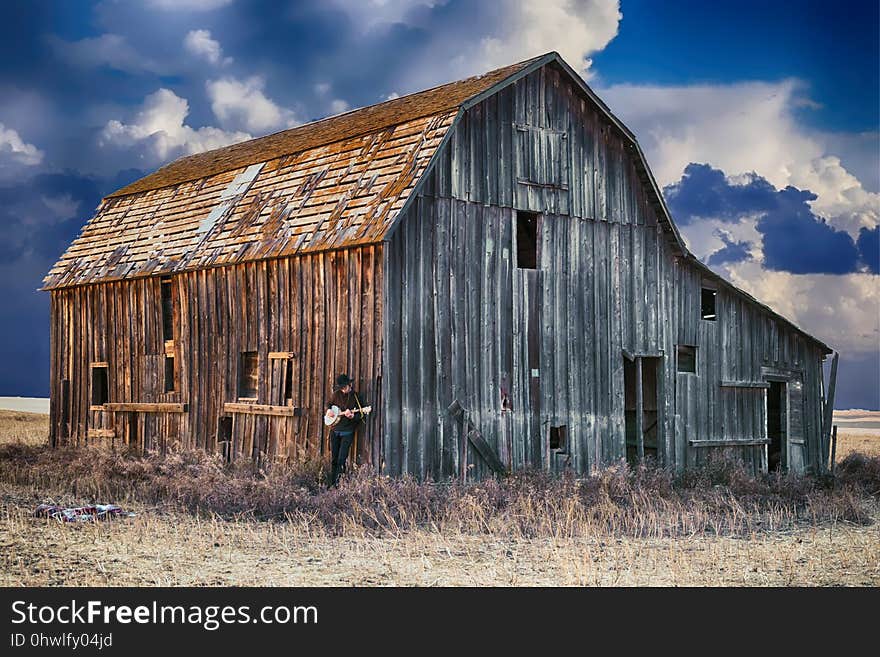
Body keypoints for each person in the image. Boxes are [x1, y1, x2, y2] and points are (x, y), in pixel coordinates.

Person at [325, 373, 370, 487]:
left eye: (346, 387)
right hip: (335, 430)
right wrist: (329, 410)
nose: (344, 390)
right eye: (342, 388)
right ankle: (332, 484)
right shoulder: (336, 395)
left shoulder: (356, 397)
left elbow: (361, 415)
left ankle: (340, 484)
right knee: (334, 458)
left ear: (350, 385)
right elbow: (328, 404)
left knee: (341, 458)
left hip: (347, 432)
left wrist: (352, 416)